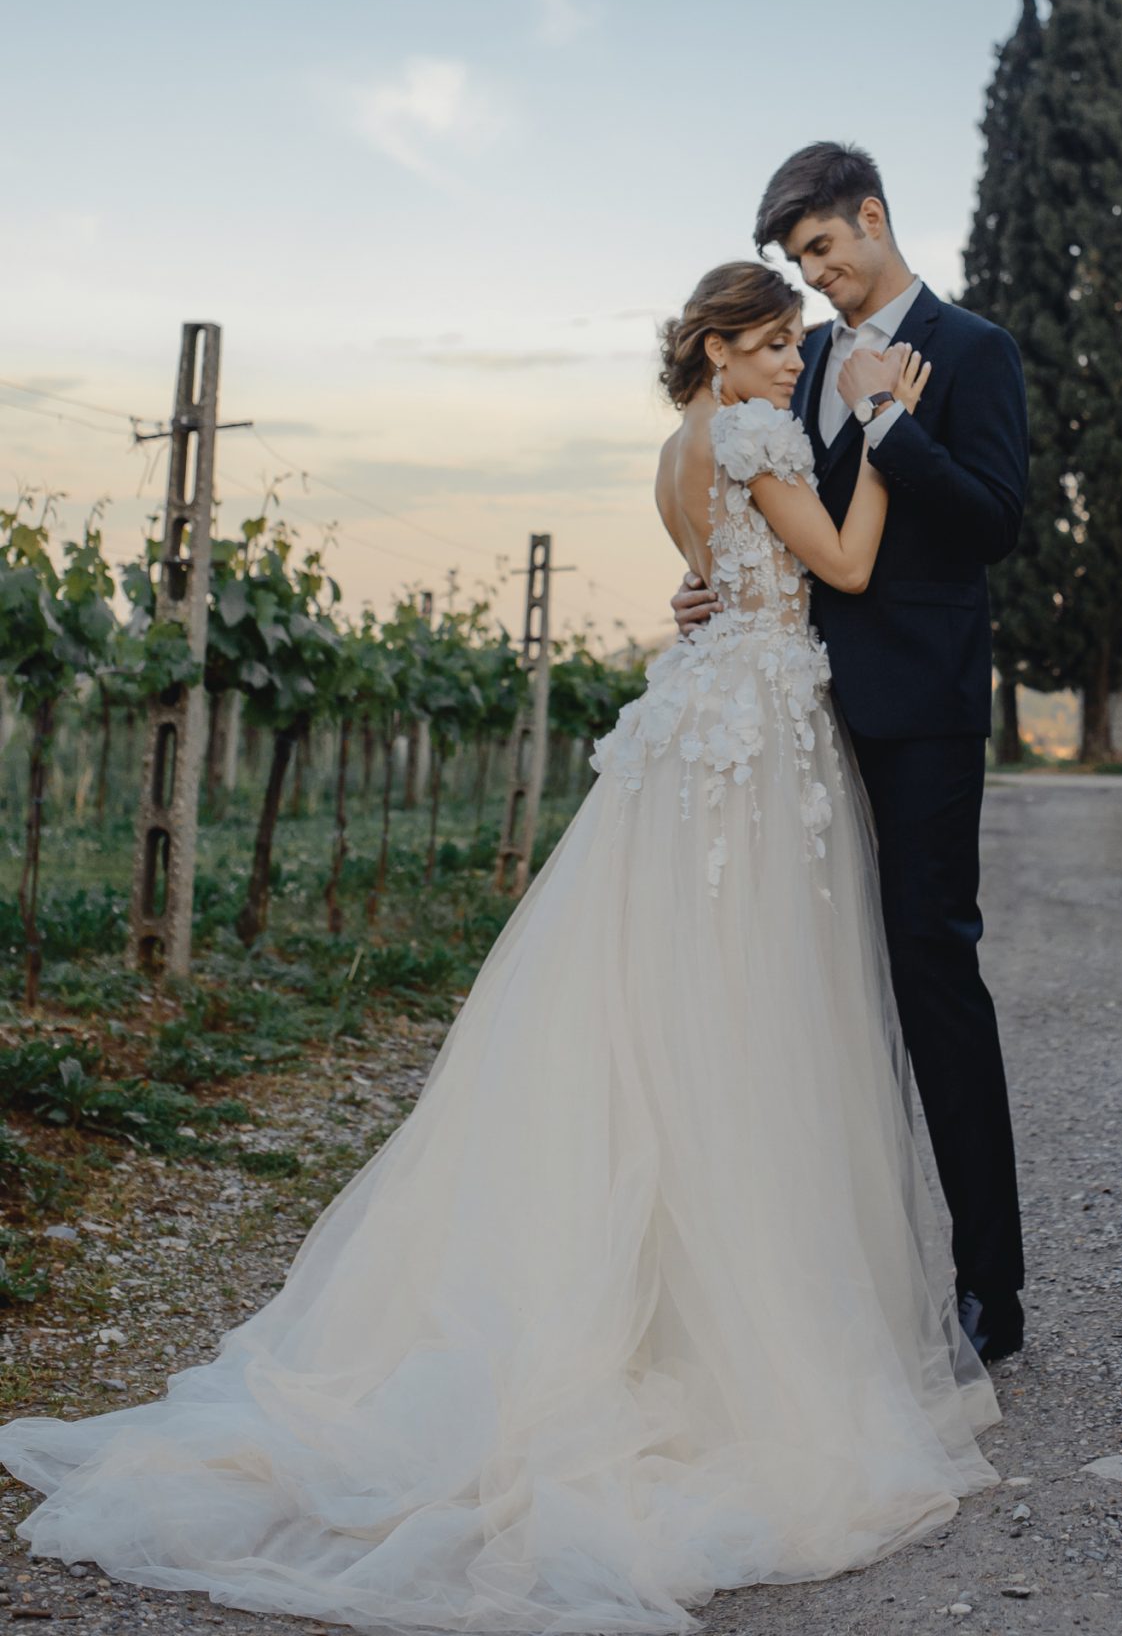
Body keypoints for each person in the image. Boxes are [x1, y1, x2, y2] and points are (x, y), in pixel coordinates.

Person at [0, 261, 999, 1635]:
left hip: (697, 714)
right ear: (717, 349)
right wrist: (882, 430)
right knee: (748, 1004)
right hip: (755, 736)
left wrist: (734, 576)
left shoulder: (675, 446)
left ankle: (672, 1286)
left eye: (796, 344)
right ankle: (731, 1321)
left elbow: (707, 576)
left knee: (668, 991)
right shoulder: (760, 432)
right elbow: (845, 566)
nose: (794, 362)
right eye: (773, 343)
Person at [672, 142, 1028, 1365]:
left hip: (919, 707)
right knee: (808, 983)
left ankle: (990, 1285)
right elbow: (768, 516)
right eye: (798, 258)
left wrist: (887, 419)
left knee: (933, 973)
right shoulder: (796, 356)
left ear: (871, 216)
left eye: (822, 247)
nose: (815, 275)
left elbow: (994, 519)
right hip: (795, 714)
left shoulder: (974, 350)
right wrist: (709, 591)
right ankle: (842, 1277)